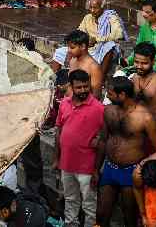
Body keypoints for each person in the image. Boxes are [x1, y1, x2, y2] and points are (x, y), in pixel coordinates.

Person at [96, 77, 156, 227]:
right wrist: (96, 169)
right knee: (101, 214)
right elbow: (103, 140)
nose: (107, 96)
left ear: (123, 95)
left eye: (110, 94)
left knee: (129, 215)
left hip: (131, 171)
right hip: (109, 169)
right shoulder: (109, 110)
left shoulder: (145, 117)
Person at [55, 69, 104, 227]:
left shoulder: (99, 108)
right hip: (66, 165)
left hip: (87, 167)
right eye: (79, 87)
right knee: (70, 199)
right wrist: (57, 159)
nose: (83, 90)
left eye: (86, 86)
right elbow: (59, 131)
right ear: (71, 86)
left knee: (89, 205)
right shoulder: (64, 103)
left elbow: (103, 140)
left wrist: (96, 170)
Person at [78, 0, 128, 79]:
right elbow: (80, 32)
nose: (92, 10)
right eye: (90, 8)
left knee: (109, 45)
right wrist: (86, 41)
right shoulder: (87, 18)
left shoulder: (111, 18)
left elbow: (119, 34)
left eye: (95, 8)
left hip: (106, 51)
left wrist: (97, 40)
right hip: (89, 48)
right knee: (60, 52)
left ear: (102, 8)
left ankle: (101, 77)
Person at [65, 30, 103, 100]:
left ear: (83, 46)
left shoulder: (94, 67)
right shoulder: (73, 60)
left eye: (72, 48)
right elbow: (71, 83)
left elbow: (96, 95)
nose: (69, 50)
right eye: (68, 47)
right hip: (69, 102)